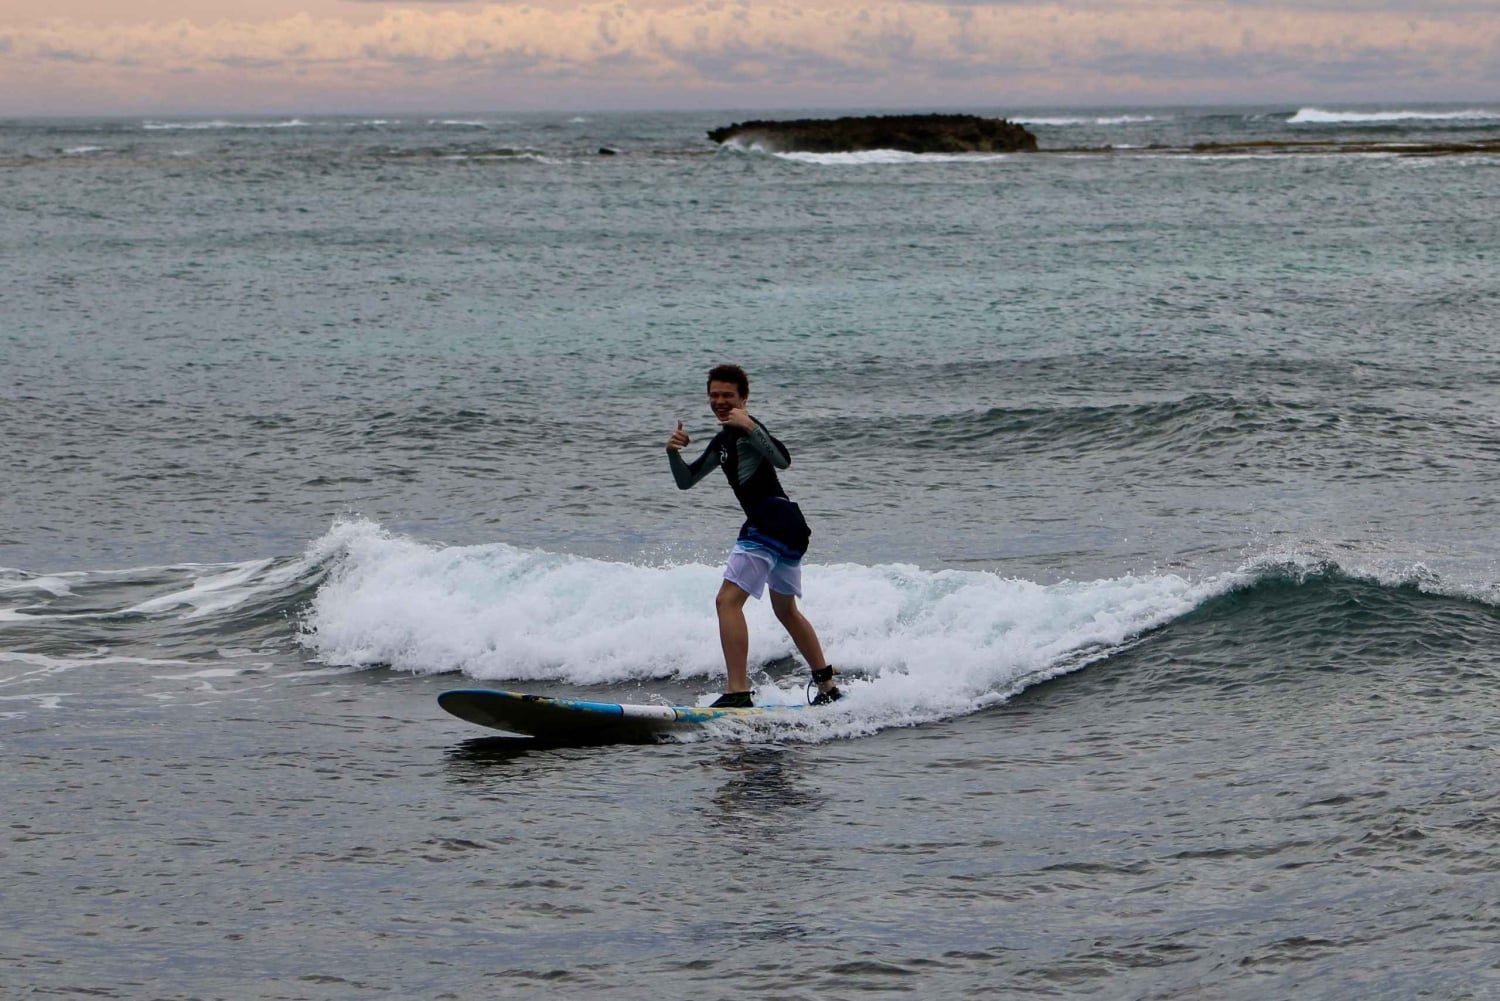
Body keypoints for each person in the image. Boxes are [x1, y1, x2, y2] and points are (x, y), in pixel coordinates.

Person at [666, 364, 842, 708]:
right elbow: (686, 481)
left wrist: (750, 424)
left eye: (728, 395)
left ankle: (737, 692)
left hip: (769, 520)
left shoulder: (747, 428)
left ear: (743, 398)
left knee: (726, 602)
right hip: (789, 526)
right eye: (714, 395)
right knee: (786, 610)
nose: (720, 401)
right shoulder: (722, 441)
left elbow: (783, 460)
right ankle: (828, 686)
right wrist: (673, 453)